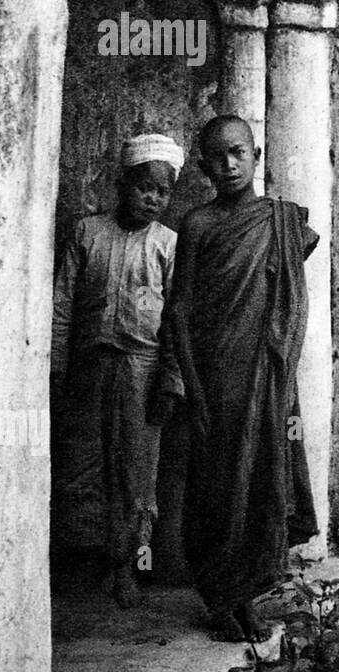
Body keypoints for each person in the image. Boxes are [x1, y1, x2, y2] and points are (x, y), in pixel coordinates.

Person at [165, 115, 319, 642]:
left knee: (260, 481)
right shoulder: (199, 225)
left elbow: (291, 299)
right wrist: (191, 385)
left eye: (238, 153)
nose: (229, 165)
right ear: (203, 164)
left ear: (256, 154)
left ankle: (245, 596)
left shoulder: (282, 221)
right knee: (215, 489)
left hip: (265, 375)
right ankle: (218, 596)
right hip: (214, 375)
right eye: (217, 157)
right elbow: (180, 310)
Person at [50, 133, 186, 608]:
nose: (152, 198)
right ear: (124, 183)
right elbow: (64, 302)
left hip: (142, 372)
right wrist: (58, 364)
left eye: (163, 191)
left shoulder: (168, 245)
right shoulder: (89, 233)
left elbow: (176, 319)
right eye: (144, 186)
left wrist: (170, 380)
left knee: (135, 471)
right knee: (83, 466)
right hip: (89, 368)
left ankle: (128, 566)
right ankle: (83, 563)